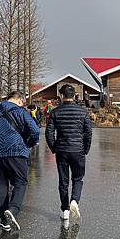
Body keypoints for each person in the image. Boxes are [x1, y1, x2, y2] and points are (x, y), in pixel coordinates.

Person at [0, 90, 40, 232]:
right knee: (20, 182)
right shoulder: (20, 112)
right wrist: (29, 143)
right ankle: (13, 210)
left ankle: (5, 221)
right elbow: (35, 130)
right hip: (15, 151)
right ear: (20, 100)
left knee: (1, 187)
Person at [46, 84, 92, 222]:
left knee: (63, 181)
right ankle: (75, 201)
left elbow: (49, 132)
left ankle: (65, 210)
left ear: (61, 95)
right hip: (78, 150)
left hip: (62, 150)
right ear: (74, 96)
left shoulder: (55, 112)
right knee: (78, 178)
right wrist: (86, 149)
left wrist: (54, 147)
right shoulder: (83, 112)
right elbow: (88, 132)